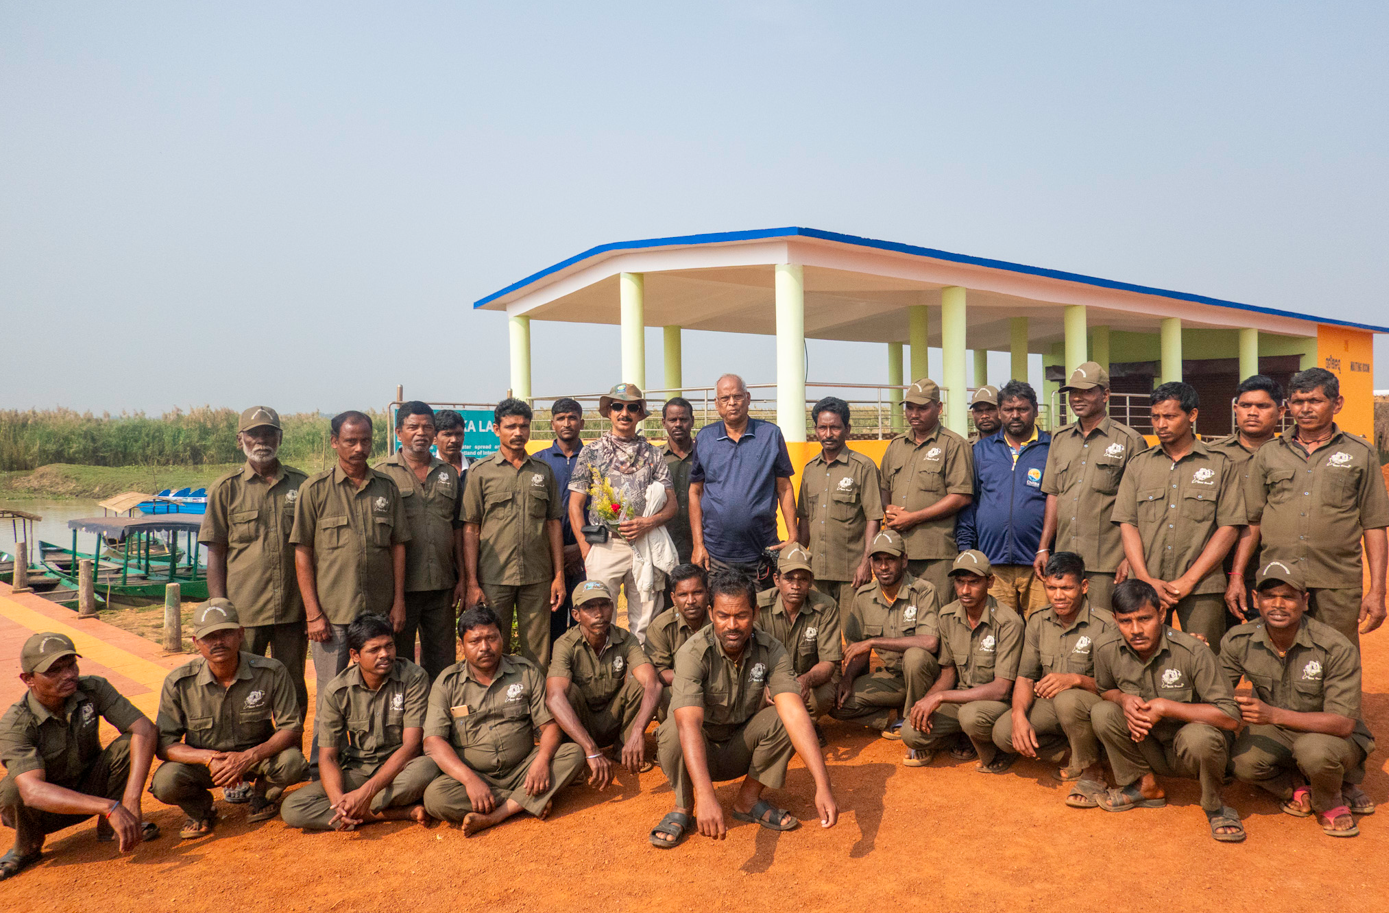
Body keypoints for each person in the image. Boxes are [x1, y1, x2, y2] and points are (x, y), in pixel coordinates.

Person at [649, 569, 838, 849]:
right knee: (673, 731)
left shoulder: (771, 649)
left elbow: (795, 713)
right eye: (723, 616)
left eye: (741, 616)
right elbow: (689, 724)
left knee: (785, 716)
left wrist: (823, 784)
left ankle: (748, 800)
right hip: (703, 750)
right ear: (712, 613)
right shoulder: (692, 652)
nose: (732, 625)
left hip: (742, 746)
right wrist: (705, 796)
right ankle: (684, 806)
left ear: (755, 613)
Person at [1221, 559, 1376, 838]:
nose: (1278, 604)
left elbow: (1343, 724)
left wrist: (1273, 715)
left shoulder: (1335, 647)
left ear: (1304, 601)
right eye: (1269, 596)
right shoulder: (1239, 640)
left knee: (1313, 752)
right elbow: (1216, 691)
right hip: (1279, 734)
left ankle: (1330, 801)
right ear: (1256, 599)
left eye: (1288, 597)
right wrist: (1195, 656)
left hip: (1331, 737)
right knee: (1242, 763)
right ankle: (1296, 786)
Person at [1239, 367, 1389, 652]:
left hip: (1336, 583)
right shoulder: (1269, 453)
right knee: (1277, 657)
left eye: (1315, 401)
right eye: (1298, 401)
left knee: (1337, 658)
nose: (1305, 409)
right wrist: (1236, 578)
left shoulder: (1361, 452)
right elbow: (1253, 521)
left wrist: (1378, 591)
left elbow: (1374, 524)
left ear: (1337, 403)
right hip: (1279, 580)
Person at [292, 410, 409, 769]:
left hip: (377, 616)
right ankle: (319, 769)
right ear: (334, 442)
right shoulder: (315, 491)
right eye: (350, 441)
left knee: (381, 690)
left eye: (365, 441)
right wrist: (313, 613)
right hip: (333, 615)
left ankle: (370, 761)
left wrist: (399, 602)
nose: (359, 448)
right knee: (332, 694)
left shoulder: (386, 488)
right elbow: (303, 553)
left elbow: (398, 545)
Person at [1089, 580, 1245, 842]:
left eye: (1145, 619)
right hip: (1148, 747)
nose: (1136, 630)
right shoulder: (1105, 648)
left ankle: (1216, 805)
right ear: (1115, 620)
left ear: (1162, 614)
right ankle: (1145, 785)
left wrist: (1165, 706)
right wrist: (1124, 699)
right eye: (1126, 621)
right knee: (1103, 712)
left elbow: (1230, 717)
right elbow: (1104, 689)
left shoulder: (1192, 651)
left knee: (1200, 737)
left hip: (1191, 752)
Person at [0, 633, 159, 881]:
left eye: (71, 664)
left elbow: (145, 729)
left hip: (91, 787)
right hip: (47, 811)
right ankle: (26, 847)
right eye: (54, 671)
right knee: (13, 789)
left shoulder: (93, 688)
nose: (68, 675)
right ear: (28, 679)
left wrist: (130, 800)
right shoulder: (15, 724)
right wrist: (108, 806)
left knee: (131, 743)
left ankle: (113, 827)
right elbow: (32, 792)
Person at [421, 607, 585, 836]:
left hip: (524, 768)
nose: (485, 647)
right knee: (435, 798)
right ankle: (528, 801)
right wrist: (469, 781)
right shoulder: (447, 682)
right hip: (476, 774)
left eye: (491, 638)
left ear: (502, 637)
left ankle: (497, 815)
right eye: (475, 641)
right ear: (462, 646)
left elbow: (549, 726)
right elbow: (433, 742)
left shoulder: (524, 671)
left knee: (572, 754)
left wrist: (542, 761)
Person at [151, 600, 309, 837]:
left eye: (226, 633)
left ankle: (263, 796)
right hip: (206, 766)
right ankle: (201, 810)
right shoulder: (179, 682)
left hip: (257, 758)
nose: (218, 642)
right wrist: (209, 759)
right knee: (165, 782)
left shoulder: (271, 671)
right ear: (196, 643)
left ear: (241, 634)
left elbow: (291, 728)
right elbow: (165, 745)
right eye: (209, 636)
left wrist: (248, 757)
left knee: (293, 762)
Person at [1114, 382, 1245, 651]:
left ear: (1192, 415)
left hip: (1202, 588)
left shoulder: (1220, 463)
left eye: (1170, 416)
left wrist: (1188, 581)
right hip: (1145, 585)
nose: (1161, 424)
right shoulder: (1139, 465)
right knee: (1142, 656)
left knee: (1204, 658)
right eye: (1155, 417)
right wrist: (1145, 579)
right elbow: (1128, 524)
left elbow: (1229, 527)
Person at [200, 405, 310, 718]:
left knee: (292, 685)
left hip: (293, 609)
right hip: (244, 613)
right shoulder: (226, 489)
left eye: (269, 433)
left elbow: (314, 549)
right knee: (241, 686)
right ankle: (244, 752)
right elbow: (216, 552)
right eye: (254, 434)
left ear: (280, 437)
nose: (262, 440)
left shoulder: (302, 485)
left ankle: (291, 757)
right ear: (240, 440)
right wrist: (220, 611)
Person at [281, 614, 439, 831]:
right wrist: (339, 801)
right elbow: (327, 756)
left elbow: (411, 746)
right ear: (355, 655)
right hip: (359, 769)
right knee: (293, 807)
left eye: (389, 646)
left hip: (402, 769)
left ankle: (363, 808)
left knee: (427, 768)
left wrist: (365, 793)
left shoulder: (413, 678)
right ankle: (390, 812)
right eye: (374, 650)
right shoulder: (337, 690)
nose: (385, 654)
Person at [989, 552, 1116, 804]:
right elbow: (1025, 677)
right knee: (1004, 733)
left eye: (1067, 588)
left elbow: (1119, 687)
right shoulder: (1037, 621)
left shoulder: (1105, 625)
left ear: (1084, 586)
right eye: (1052, 588)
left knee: (1068, 700)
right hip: (1054, 708)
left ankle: (1093, 771)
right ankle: (1072, 752)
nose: (1058, 596)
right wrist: (1018, 716)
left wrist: (1076, 680)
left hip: (1095, 706)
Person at [569, 384, 677, 643]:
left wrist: (647, 523)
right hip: (606, 546)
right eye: (618, 406)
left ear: (640, 414)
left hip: (645, 544)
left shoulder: (653, 453)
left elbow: (672, 504)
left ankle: (639, 677)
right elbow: (575, 504)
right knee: (599, 617)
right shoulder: (591, 452)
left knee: (645, 620)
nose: (624, 412)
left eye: (632, 407)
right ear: (609, 412)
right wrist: (587, 549)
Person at [462, 398, 566, 669]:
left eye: (524, 426)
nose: (518, 432)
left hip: (537, 576)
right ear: (497, 429)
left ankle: (535, 707)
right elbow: (471, 528)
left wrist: (558, 576)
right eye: (510, 426)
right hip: (494, 577)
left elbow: (553, 523)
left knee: (538, 652)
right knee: (494, 645)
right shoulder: (480, 472)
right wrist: (472, 582)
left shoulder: (542, 472)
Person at [1035, 362, 1147, 610]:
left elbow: (1142, 507)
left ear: (1105, 395)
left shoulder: (1130, 440)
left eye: (1086, 391)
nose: (1077, 398)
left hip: (1108, 564)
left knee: (1105, 632)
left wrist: (1130, 558)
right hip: (1065, 562)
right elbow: (1053, 494)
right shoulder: (1060, 439)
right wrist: (1044, 547)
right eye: (1073, 392)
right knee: (1067, 630)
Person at [900, 551, 1025, 772]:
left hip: (996, 706)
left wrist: (940, 697)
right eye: (960, 582)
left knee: (971, 716)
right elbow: (948, 672)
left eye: (974, 582)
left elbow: (1001, 689)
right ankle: (960, 737)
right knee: (910, 732)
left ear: (990, 582)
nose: (965, 590)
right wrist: (925, 703)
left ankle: (1000, 749)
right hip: (960, 701)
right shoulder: (947, 616)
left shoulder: (1009, 623)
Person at [374, 401, 465, 680]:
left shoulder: (448, 473)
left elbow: (457, 529)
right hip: (399, 590)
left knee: (442, 660)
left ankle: (438, 720)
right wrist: (394, 596)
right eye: (413, 427)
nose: (421, 433)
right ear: (399, 431)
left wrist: (462, 577)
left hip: (442, 586)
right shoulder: (381, 474)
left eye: (428, 427)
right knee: (399, 660)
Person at [545, 580, 663, 790]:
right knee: (565, 693)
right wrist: (591, 748)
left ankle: (624, 747)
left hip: (614, 718)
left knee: (642, 684)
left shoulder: (626, 639)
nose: (599, 613)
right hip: (582, 724)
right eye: (589, 607)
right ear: (576, 615)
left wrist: (637, 732)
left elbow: (652, 684)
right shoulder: (565, 644)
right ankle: (579, 755)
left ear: (613, 607)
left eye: (604, 604)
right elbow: (554, 697)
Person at [831, 530, 941, 735]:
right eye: (878, 560)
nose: (883, 567)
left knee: (915, 656)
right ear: (870, 563)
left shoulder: (924, 591)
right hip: (892, 679)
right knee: (836, 702)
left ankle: (912, 723)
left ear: (904, 560)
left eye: (890, 559)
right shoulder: (863, 597)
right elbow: (858, 650)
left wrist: (874, 642)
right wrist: (847, 679)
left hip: (928, 678)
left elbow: (930, 642)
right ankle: (892, 715)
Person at [957, 380, 1051, 616]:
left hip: (1039, 565)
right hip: (992, 565)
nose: (1015, 415)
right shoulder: (981, 451)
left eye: (1022, 409)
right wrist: (967, 550)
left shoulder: (1052, 449)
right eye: (1009, 410)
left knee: (1039, 632)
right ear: (1000, 412)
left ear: (1036, 410)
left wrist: (1049, 551)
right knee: (998, 634)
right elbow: (970, 506)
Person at [689, 374, 798, 575]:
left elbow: (784, 488)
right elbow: (695, 492)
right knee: (720, 607)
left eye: (737, 396)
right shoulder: (705, 437)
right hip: (716, 555)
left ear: (748, 398)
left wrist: (793, 537)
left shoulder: (770, 434)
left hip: (762, 553)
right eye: (725, 398)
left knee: (762, 606)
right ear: (716, 404)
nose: (732, 403)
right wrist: (698, 544)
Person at [879, 377, 973, 597]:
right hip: (897, 551)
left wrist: (913, 518)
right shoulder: (896, 445)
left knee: (936, 618)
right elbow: (883, 487)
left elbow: (961, 496)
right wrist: (887, 508)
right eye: (909, 408)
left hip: (936, 554)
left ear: (938, 408)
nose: (914, 414)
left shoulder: (954, 444)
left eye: (922, 408)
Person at [796, 396, 883, 627]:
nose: (828, 434)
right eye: (822, 428)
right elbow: (804, 520)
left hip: (851, 574)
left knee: (853, 636)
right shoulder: (809, 470)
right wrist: (797, 562)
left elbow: (874, 517)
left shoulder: (863, 467)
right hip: (815, 574)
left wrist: (866, 563)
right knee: (815, 637)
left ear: (847, 429)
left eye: (835, 427)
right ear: (815, 430)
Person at [1212, 376, 1285, 622]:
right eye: (1245, 406)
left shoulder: (1292, 456)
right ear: (1235, 409)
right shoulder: (1213, 455)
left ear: (1281, 411)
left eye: (1262, 406)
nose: (1252, 412)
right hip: (1215, 571)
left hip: (1274, 569)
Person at [756, 544, 842, 727]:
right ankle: (778, 729)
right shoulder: (758, 606)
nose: (796, 586)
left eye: (802, 579)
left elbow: (829, 663)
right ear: (776, 579)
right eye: (789, 578)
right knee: (750, 696)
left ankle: (805, 726)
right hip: (767, 683)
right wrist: (763, 686)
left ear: (811, 581)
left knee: (823, 697)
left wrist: (805, 680)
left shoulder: (826, 607)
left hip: (805, 681)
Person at [537, 398, 586, 642]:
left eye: (572, 417)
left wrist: (580, 548)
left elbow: (606, 512)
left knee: (587, 620)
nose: (567, 423)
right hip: (547, 559)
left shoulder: (596, 459)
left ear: (582, 422)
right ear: (552, 424)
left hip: (586, 556)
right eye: (561, 418)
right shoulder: (537, 462)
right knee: (551, 624)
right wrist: (556, 553)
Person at [646, 564, 711, 718]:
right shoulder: (660, 627)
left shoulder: (721, 618)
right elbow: (657, 673)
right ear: (673, 598)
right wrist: (695, 677)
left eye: (697, 592)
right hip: (681, 688)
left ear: (708, 593)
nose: (691, 601)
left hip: (721, 686)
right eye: (683, 594)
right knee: (662, 692)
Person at [661, 396, 697, 565]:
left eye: (683, 419)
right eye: (672, 420)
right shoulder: (655, 458)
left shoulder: (706, 455)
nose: (677, 424)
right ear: (663, 422)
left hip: (700, 540)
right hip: (665, 540)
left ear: (692, 421)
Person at [434, 409, 470, 483]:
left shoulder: (476, 468)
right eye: (448, 434)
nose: (454, 440)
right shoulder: (428, 469)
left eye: (458, 434)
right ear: (434, 439)